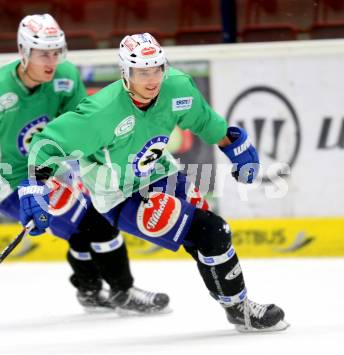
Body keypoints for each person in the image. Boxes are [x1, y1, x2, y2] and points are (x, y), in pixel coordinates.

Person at [21, 33, 289, 332]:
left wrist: (234, 147)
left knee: (209, 237)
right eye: (141, 72)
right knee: (212, 230)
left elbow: (203, 120)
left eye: (157, 69)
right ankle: (240, 309)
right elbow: (47, 144)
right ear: (126, 72)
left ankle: (236, 306)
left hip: (162, 173)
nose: (152, 80)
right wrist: (34, 189)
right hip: (121, 196)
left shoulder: (177, 87)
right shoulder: (101, 112)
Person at [0, 16, 170, 314]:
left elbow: (82, 123)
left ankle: (90, 289)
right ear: (24, 51)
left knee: (86, 227)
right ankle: (121, 291)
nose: (51, 61)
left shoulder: (65, 76)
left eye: (56, 52)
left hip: (49, 170)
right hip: (8, 182)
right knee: (95, 224)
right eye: (42, 54)